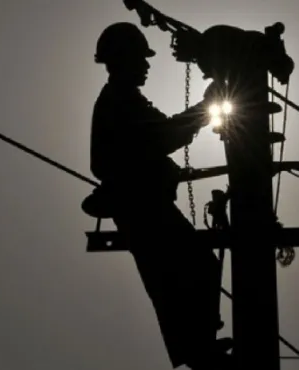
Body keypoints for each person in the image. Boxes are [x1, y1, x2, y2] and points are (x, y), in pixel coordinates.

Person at [89, 22, 230, 370]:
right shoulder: (119, 100)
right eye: (142, 58)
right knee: (188, 271)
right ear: (124, 59)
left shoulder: (123, 100)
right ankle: (199, 351)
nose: (148, 66)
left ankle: (199, 348)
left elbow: (157, 137)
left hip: (142, 203)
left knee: (184, 274)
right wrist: (204, 109)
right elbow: (163, 136)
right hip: (141, 206)